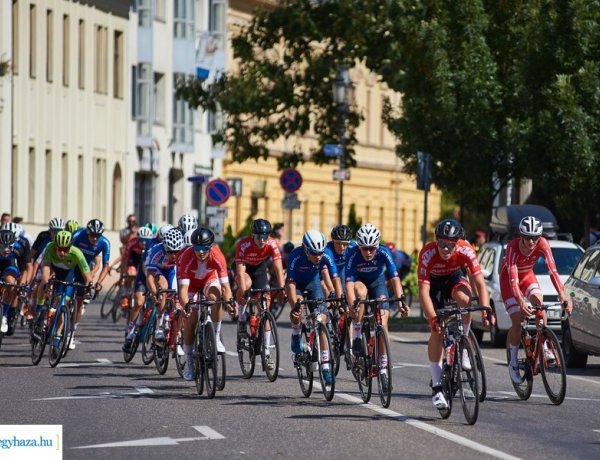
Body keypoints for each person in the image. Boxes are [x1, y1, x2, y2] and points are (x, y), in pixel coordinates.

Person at [418, 219, 490, 410]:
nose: (445, 248)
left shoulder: (466, 249)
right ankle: (436, 385)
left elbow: (480, 283)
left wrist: (486, 310)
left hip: (453, 277)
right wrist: (433, 318)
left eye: (450, 244)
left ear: (458, 243)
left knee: (465, 301)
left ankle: (464, 342)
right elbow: (423, 292)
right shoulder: (428, 253)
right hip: (433, 286)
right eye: (441, 243)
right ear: (436, 241)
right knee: (437, 331)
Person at [501, 216, 572, 384]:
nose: (531, 241)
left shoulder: (543, 244)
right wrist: (519, 301)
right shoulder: (512, 247)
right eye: (527, 237)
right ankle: (512, 363)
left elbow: (553, 271)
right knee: (517, 320)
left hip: (527, 276)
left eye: (535, 237)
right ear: (521, 236)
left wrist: (563, 295)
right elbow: (512, 279)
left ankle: (544, 345)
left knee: (539, 305)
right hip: (509, 282)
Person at [345, 223, 408, 391]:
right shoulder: (352, 254)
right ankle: (357, 333)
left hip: (378, 283)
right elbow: (349, 285)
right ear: (359, 246)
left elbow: (394, 278)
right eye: (364, 248)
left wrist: (401, 300)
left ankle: (383, 366)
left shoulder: (384, 251)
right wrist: (352, 306)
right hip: (359, 282)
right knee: (361, 292)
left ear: (377, 245)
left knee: (383, 322)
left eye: (371, 248)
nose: (368, 252)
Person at [177, 227, 235, 381]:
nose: (200, 252)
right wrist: (186, 306)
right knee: (191, 318)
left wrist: (229, 302)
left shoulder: (217, 255)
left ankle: (215, 338)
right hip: (191, 285)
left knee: (216, 298)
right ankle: (189, 362)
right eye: (197, 248)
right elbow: (182, 290)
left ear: (210, 246)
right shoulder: (187, 257)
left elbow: (226, 287)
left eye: (204, 248)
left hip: (209, 280)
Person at [286, 230, 342, 386]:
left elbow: (335, 278)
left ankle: (325, 366)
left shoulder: (326, 255)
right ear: (305, 248)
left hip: (313, 284)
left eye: (320, 253)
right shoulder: (295, 256)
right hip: (296, 285)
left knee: (322, 320)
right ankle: (296, 333)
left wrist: (338, 296)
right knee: (298, 309)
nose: (318, 256)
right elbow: (290, 284)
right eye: (314, 253)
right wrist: (294, 305)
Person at [234, 218, 285, 370]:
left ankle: (267, 352)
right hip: (244, 269)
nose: (262, 240)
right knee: (246, 285)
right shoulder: (243, 245)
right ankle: (242, 318)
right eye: (259, 237)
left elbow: (278, 267)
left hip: (259, 270)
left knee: (265, 306)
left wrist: (282, 288)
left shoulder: (272, 243)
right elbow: (241, 272)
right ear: (253, 235)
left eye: (265, 236)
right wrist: (243, 291)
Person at [70, 219, 110, 349]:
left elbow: (105, 266)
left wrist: (99, 282)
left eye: (97, 236)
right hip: (71, 266)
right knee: (63, 295)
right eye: (92, 235)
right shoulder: (77, 235)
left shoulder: (104, 243)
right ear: (87, 232)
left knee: (80, 301)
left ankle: (71, 332)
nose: (94, 238)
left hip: (85, 269)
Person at [145, 228, 184, 340]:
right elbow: (150, 277)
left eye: (176, 252)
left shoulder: (183, 253)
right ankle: (159, 326)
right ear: (165, 247)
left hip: (171, 270)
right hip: (158, 270)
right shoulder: (156, 251)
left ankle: (175, 329)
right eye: (170, 252)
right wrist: (154, 293)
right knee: (164, 288)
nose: (173, 255)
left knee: (178, 296)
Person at [0, 230, 32, 334]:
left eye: (9, 247)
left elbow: (26, 268)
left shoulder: (19, 248)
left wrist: (23, 285)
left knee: (12, 284)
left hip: (9, 264)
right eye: (2, 246)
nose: (5, 249)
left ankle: (4, 315)